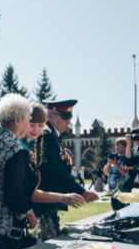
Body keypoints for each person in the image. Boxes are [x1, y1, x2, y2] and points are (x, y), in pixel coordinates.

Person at [0, 95, 85, 249]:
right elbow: (16, 193)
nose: (29, 123)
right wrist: (28, 213)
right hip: (1, 227)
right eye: (27, 118)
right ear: (16, 120)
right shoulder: (15, 148)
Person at [33, 100, 98, 240]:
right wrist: (82, 190)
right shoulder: (47, 135)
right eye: (64, 116)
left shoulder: (54, 136)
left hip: (50, 202)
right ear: (50, 116)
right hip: (44, 203)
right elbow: (55, 171)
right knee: (47, 243)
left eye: (69, 117)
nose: (68, 121)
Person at [122, 127, 139, 191]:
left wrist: (133, 167)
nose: (135, 138)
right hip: (131, 184)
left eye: (138, 135)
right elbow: (127, 163)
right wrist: (128, 145)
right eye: (134, 136)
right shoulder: (133, 150)